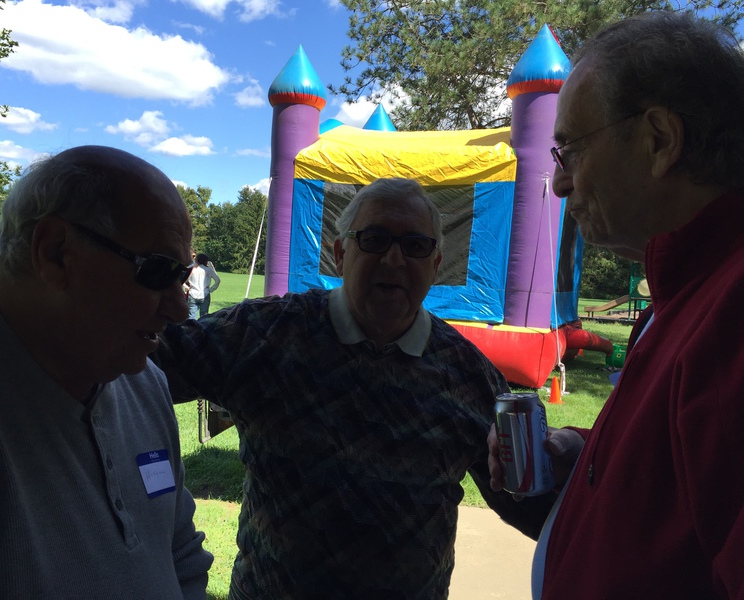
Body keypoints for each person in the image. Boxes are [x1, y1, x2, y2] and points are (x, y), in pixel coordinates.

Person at [155, 177, 555, 599]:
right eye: (375, 239)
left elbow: (529, 502)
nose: (395, 260)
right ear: (340, 254)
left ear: (436, 264)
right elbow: (143, 360)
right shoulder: (266, 333)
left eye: (416, 246)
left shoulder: (466, 372)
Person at [487, 11, 744, 599]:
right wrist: (581, 453)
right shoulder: (683, 297)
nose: (559, 184)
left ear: (660, 140)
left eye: (570, 151)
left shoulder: (732, 314)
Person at [0, 146, 214, 598]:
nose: (180, 310)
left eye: (182, 276)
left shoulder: (141, 381)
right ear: (55, 253)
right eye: (158, 272)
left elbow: (181, 554)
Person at [184, 252, 221, 319]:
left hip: (192, 293)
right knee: (204, 317)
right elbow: (217, 280)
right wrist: (211, 289)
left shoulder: (192, 269)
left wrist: (187, 288)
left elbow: (182, 280)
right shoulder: (208, 270)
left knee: (191, 317)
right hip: (205, 293)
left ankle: (191, 326)